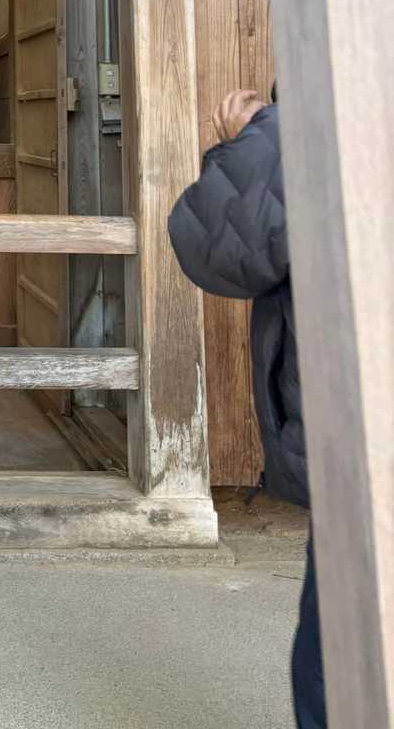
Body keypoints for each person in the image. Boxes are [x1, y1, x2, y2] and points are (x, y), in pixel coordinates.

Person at [168, 86, 326, 728]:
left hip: (365, 431)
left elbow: (209, 241)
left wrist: (252, 138)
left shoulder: (309, 123)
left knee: (339, 644)